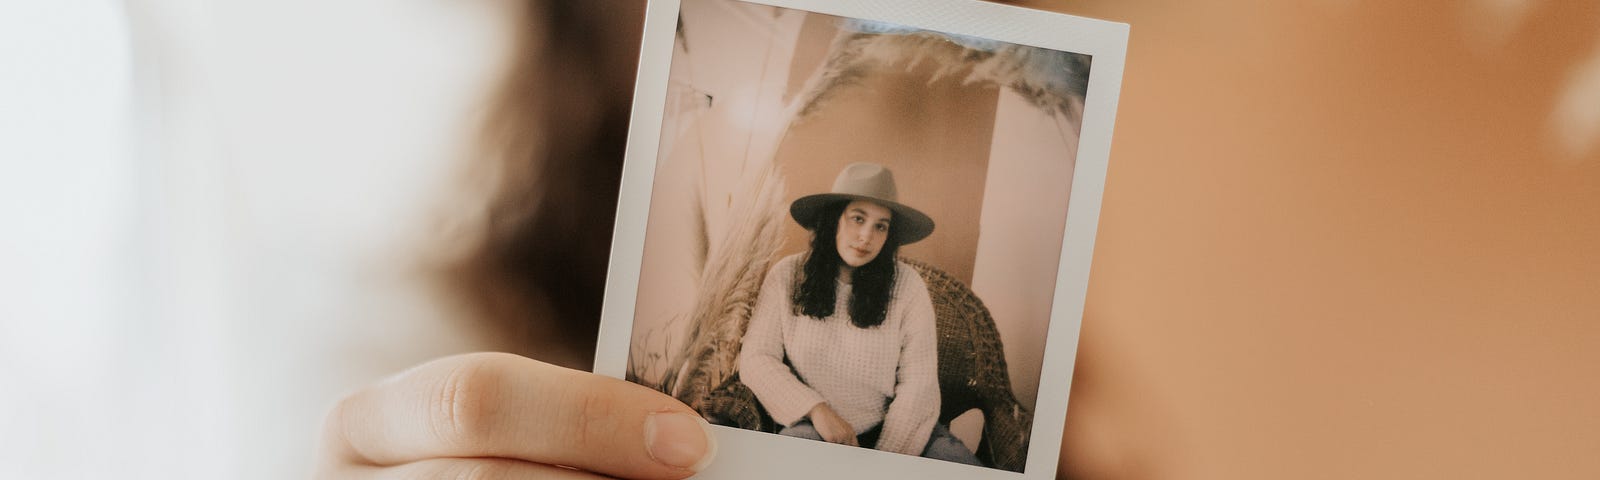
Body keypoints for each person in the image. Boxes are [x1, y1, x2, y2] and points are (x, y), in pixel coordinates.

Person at [737, 163, 981, 465]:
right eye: (857, 219)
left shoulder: (908, 286)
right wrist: (817, 410)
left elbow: (919, 386)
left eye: (881, 225)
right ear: (833, 220)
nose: (867, 236)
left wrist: (883, 461)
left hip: (900, 430)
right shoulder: (787, 275)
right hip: (817, 427)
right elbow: (756, 359)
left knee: (959, 464)